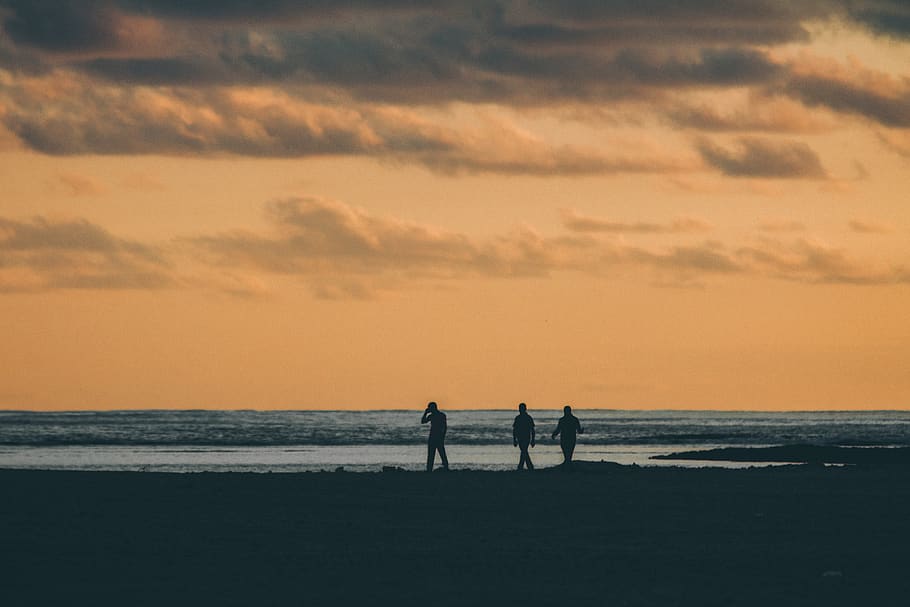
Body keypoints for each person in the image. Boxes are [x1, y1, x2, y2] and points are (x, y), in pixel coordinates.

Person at [421, 401, 449, 472]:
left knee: (441, 453)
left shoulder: (440, 415)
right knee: (432, 454)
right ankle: (429, 469)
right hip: (434, 436)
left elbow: (444, 427)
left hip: (437, 436)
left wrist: (442, 436)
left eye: (429, 408)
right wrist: (425, 413)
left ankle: (445, 467)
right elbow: (423, 421)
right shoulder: (433, 415)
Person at [512, 402, 536, 470]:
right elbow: (515, 430)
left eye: (521, 409)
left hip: (525, 437)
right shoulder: (520, 418)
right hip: (521, 437)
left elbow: (532, 430)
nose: (520, 410)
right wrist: (514, 439)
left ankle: (523, 466)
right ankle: (528, 466)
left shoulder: (527, 418)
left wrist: (533, 440)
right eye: (520, 409)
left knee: (524, 451)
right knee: (524, 451)